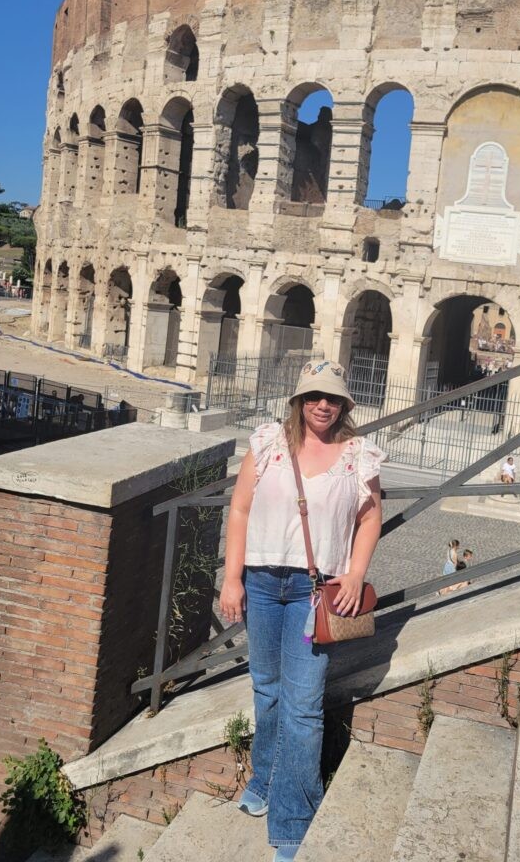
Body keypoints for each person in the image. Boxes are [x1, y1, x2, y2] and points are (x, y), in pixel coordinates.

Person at [220, 361, 384, 862]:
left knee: (303, 704)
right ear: (298, 400)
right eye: (314, 396)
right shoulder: (268, 444)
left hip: (315, 593)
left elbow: (370, 517)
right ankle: (266, 777)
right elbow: (241, 509)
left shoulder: (357, 456)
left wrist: (355, 573)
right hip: (262, 583)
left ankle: (292, 822)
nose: (322, 405)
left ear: (344, 406)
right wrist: (231, 578)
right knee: (266, 688)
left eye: (332, 398)